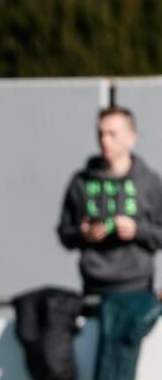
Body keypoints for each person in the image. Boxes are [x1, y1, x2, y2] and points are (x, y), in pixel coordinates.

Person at [58, 106, 162, 295]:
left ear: (131, 138)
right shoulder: (81, 182)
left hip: (137, 287)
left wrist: (137, 230)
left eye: (112, 134)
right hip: (94, 286)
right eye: (101, 134)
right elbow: (64, 233)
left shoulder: (149, 182)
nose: (105, 141)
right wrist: (83, 233)